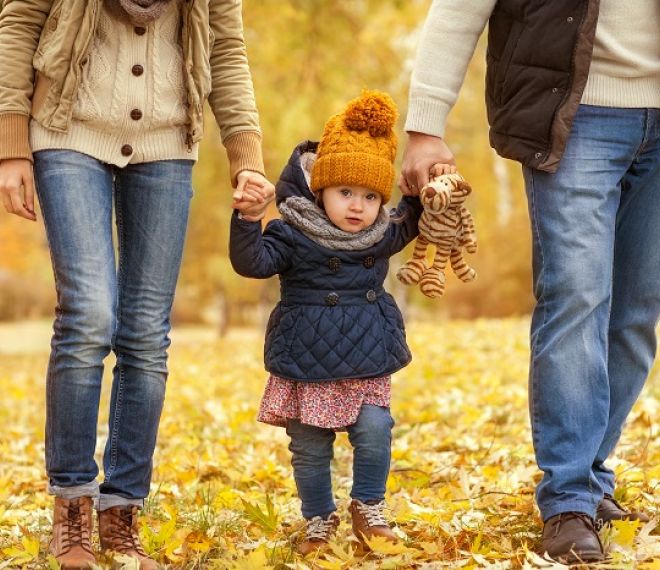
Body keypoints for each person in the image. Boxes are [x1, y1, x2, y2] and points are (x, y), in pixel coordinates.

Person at [0, 1, 274, 568]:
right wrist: (10, 144)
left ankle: (122, 510)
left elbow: (226, 48)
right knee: (91, 314)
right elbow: (19, 18)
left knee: (147, 333)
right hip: (67, 125)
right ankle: (72, 505)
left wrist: (245, 155)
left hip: (168, 140)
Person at [400, 0, 659, 564]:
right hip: (575, 113)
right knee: (577, 295)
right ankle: (568, 498)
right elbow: (457, 10)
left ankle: (591, 477)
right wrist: (425, 124)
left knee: (638, 312)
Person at [230, 90, 441, 556]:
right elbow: (254, 264)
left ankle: (368, 508)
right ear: (319, 188)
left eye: (369, 196)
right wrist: (248, 218)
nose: (356, 206)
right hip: (305, 355)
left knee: (374, 429)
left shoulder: (379, 232)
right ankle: (319, 519)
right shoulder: (291, 229)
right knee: (309, 447)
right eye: (345, 192)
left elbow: (411, 218)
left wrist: (430, 188)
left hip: (365, 355)